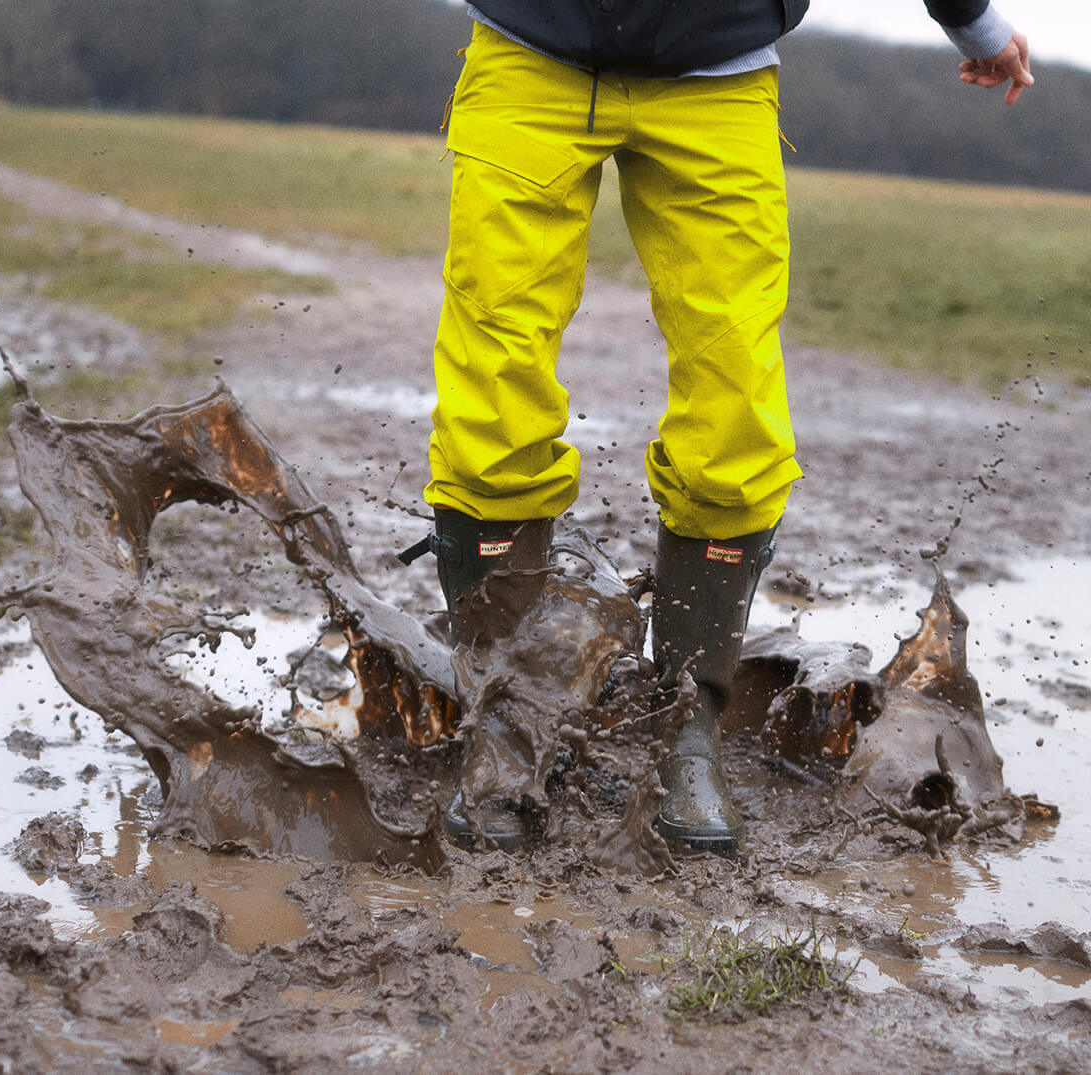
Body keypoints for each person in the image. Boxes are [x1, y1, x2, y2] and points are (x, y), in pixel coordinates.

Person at [403, 1, 1033, 856]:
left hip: (720, 71)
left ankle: (684, 727)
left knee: (736, 407)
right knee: (493, 387)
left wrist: (971, 20)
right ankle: (502, 728)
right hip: (529, 50)